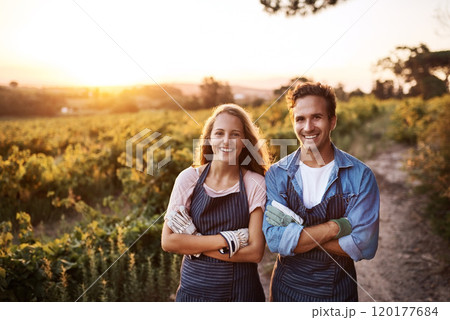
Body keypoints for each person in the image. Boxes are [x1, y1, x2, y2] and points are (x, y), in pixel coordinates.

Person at [263, 82, 380, 302]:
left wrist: (296, 233)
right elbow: (275, 240)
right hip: (285, 291)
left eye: (317, 117)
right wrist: (338, 226)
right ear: (293, 122)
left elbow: (364, 244)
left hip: (337, 293)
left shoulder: (360, 176)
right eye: (300, 118)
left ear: (332, 121)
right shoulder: (277, 174)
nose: (308, 127)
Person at [161, 103, 270, 302]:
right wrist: (230, 239)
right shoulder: (188, 179)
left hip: (241, 294)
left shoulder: (254, 183)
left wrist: (194, 242)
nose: (226, 141)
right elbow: (168, 241)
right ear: (210, 138)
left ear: (245, 141)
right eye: (219, 133)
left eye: (235, 134)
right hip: (193, 293)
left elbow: (255, 252)